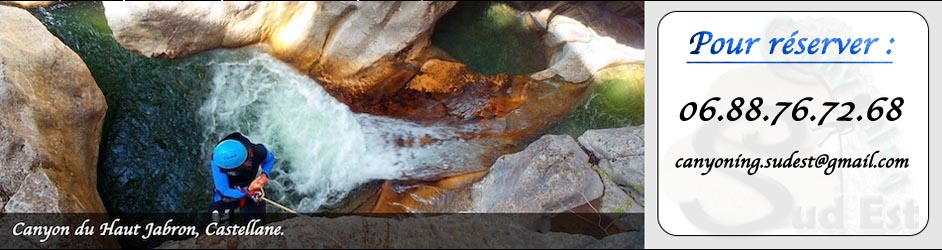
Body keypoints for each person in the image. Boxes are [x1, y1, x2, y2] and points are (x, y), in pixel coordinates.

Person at [209, 132, 276, 224]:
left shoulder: (256, 151)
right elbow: (224, 192)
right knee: (219, 226)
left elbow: (270, 159)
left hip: (251, 187)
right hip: (229, 193)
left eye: (249, 155)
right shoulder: (218, 163)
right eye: (246, 160)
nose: (251, 158)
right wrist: (248, 189)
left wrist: (264, 174)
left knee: (256, 225)